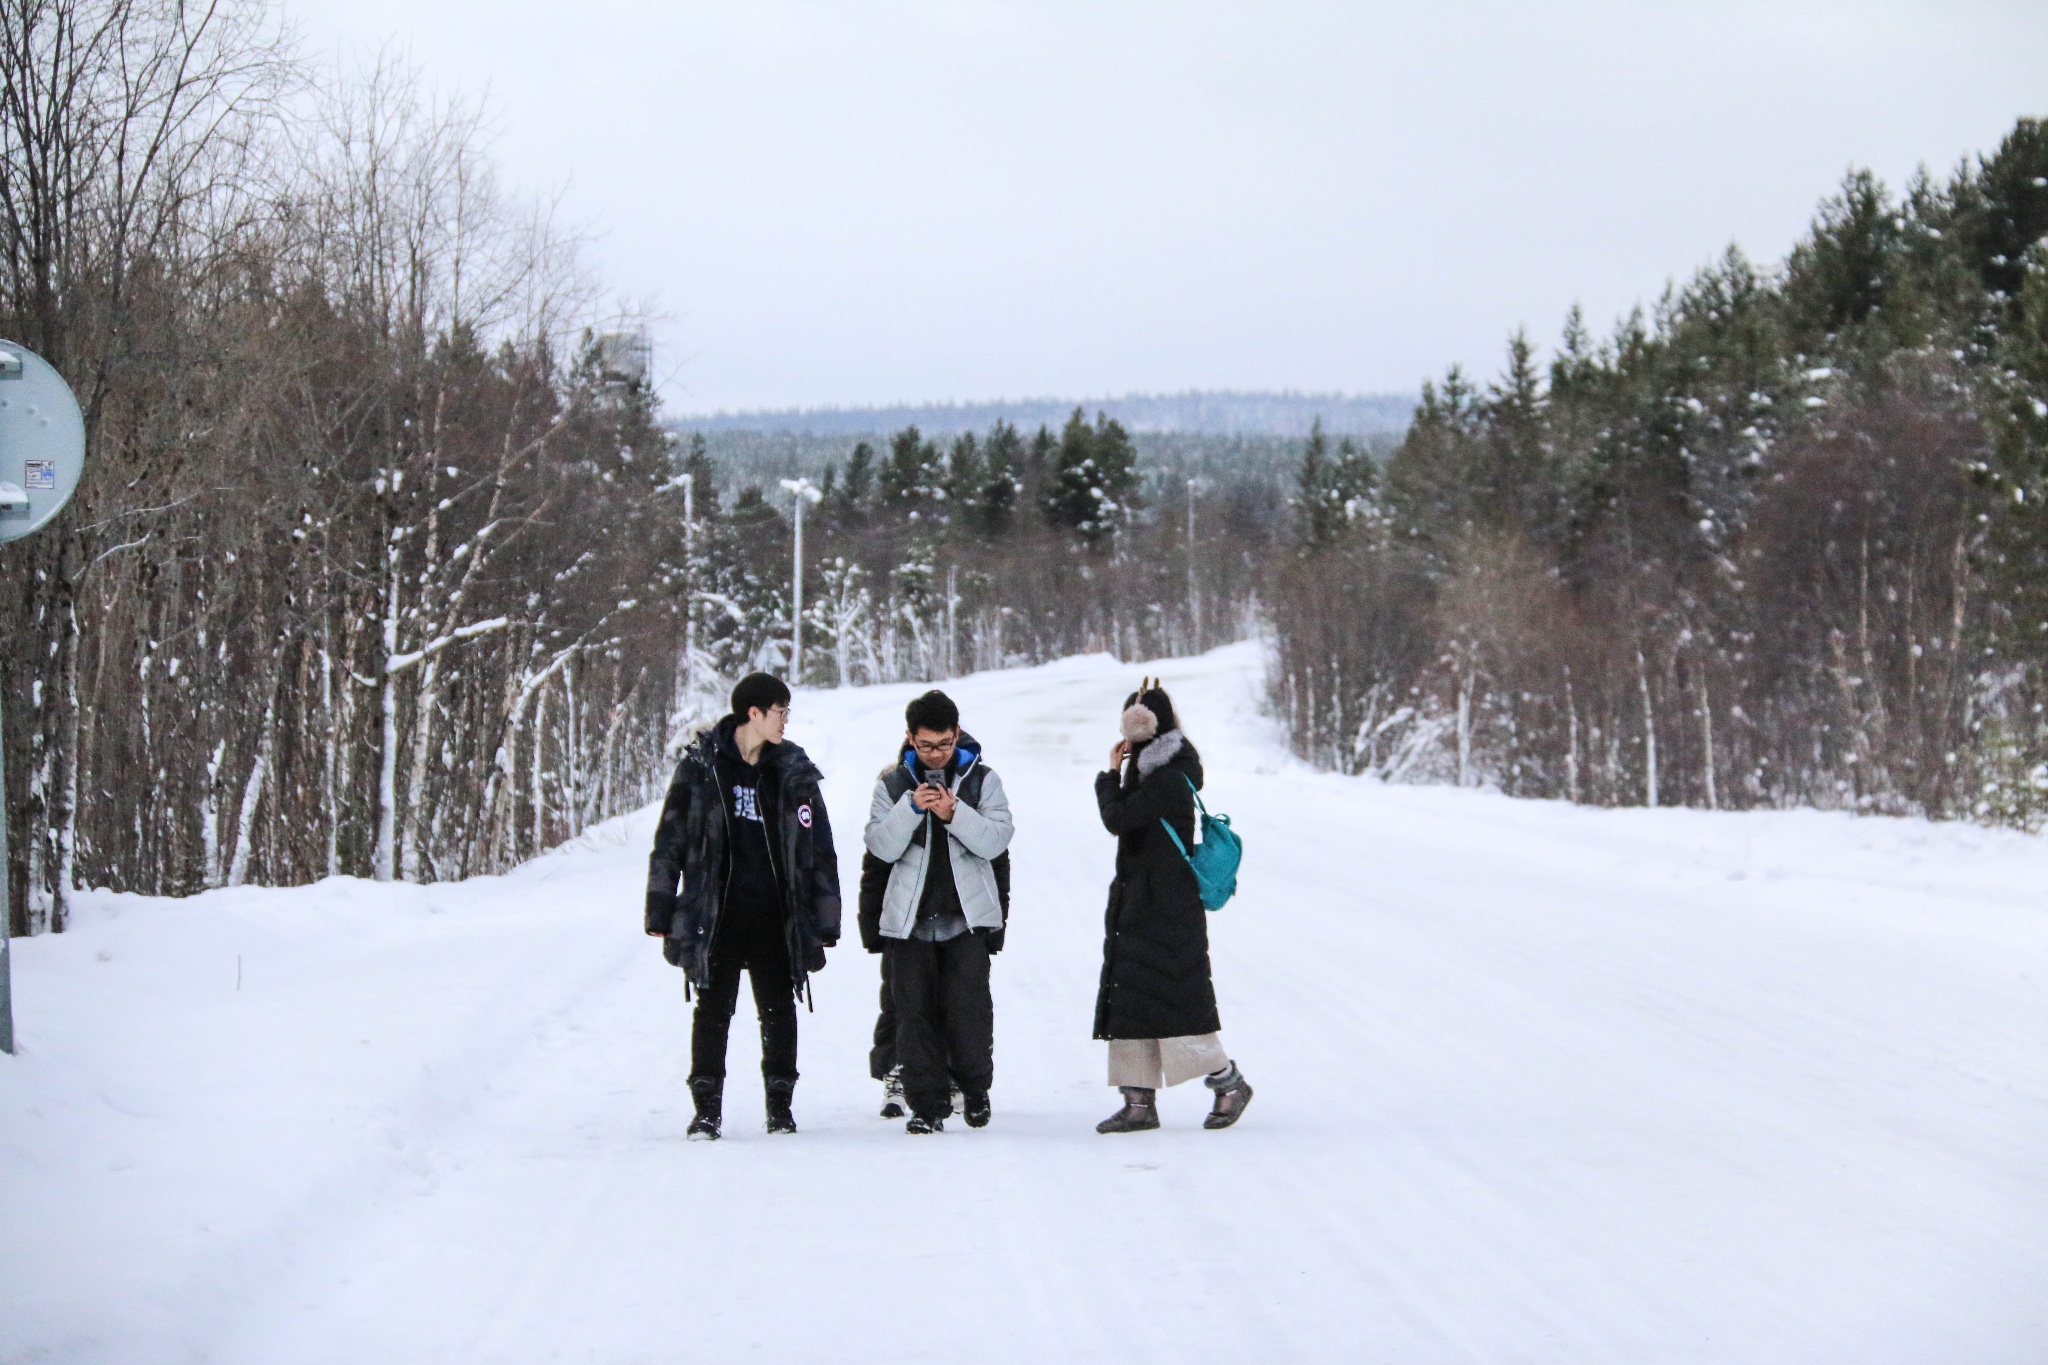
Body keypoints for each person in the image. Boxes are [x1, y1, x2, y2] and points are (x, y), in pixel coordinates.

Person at [645, 672, 840, 1139]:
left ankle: (780, 1107)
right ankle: (706, 1110)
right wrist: (659, 909)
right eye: (780, 711)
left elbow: (820, 849)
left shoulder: (792, 769)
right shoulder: (702, 765)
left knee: (779, 1010)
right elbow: (670, 839)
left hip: (777, 915)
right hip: (716, 915)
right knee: (713, 1011)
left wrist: (825, 918)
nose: (786, 721)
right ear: (754, 713)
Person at [1092, 678, 1252, 1133]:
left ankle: (1229, 1082)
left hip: (1167, 906)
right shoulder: (1149, 769)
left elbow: (1117, 818)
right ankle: (1138, 1101)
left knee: (1179, 1002)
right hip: (1140, 902)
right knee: (1131, 1002)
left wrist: (1108, 775)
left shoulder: (1168, 776)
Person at [864, 689, 1014, 1134]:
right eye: (926, 745)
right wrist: (911, 808)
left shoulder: (982, 780)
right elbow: (880, 846)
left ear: (957, 733)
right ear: (910, 738)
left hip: (965, 918)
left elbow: (996, 840)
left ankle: (975, 1090)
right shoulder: (891, 784)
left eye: (944, 744)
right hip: (909, 922)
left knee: (969, 1010)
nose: (935, 754)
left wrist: (955, 813)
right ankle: (926, 1107)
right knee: (913, 1015)